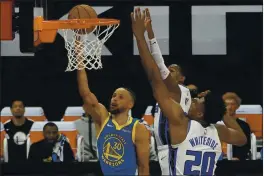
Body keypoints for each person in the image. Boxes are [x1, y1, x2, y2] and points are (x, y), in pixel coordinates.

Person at [132, 7, 247, 175]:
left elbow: (154, 75)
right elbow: (242, 139)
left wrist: (139, 37)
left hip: (170, 147)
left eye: (198, 101)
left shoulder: (181, 120)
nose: (194, 100)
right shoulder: (216, 130)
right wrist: (220, 111)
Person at [76, 50, 149, 175]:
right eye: (114, 96)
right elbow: (85, 93)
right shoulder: (103, 119)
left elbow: (144, 167)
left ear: (130, 104)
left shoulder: (138, 128)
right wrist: (79, 58)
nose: (114, 99)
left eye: (121, 97)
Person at [144, 8, 191, 175]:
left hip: (174, 148)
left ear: (182, 78)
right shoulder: (168, 94)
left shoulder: (180, 90)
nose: (168, 71)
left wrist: (149, 34)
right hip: (165, 149)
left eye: (174, 71)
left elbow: (159, 64)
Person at [223, 92, 251, 160]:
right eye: (227, 104)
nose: (229, 107)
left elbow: (246, 146)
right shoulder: (217, 123)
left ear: (237, 106)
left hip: (237, 161)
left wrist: (238, 157)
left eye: (232, 104)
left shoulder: (244, 125)